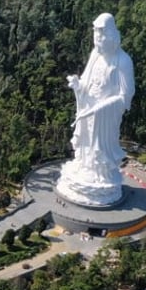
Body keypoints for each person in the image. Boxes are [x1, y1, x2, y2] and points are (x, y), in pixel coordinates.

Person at [57, 13, 136, 206]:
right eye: (96, 37)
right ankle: (84, 167)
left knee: (99, 146)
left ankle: (100, 175)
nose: (98, 42)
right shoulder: (95, 55)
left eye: (102, 37)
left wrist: (101, 108)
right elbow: (86, 81)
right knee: (86, 143)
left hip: (105, 116)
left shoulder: (123, 61)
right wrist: (77, 84)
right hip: (88, 109)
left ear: (112, 36)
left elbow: (126, 95)